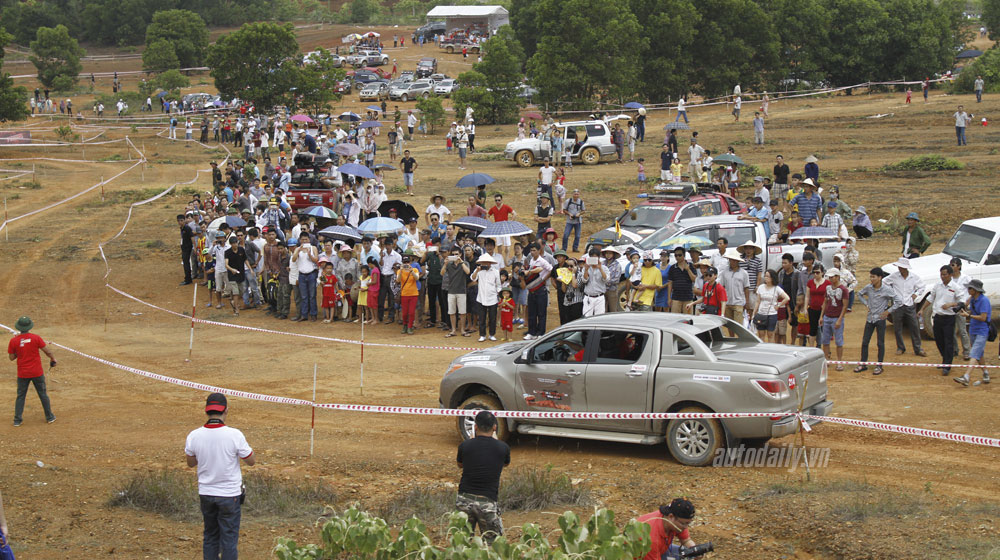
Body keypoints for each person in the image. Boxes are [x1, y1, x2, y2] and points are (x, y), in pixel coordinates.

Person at [185, 393, 255, 560]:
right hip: (230, 495)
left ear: (206, 411)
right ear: (226, 411)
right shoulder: (234, 435)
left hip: (207, 493)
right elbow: (251, 461)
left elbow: (190, 462)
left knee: (210, 536)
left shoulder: (194, 435)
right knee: (229, 539)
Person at [455, 410, 510, 545]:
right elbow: (506, 463)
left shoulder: (464, 446)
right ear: (494, 427)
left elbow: (460, 464)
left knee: (462, 543)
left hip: (464, 500)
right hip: (487, 501)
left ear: (475, 427)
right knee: (492, 545)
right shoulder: (503, 448)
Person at [8, 316, 56, 426]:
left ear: (19, 327)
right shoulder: (36, 338)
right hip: (36, 372)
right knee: (43, 394)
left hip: (23, 373)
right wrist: (53, 359)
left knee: (21, 396)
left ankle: (17, 420)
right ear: (29, 327)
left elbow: (11, 357)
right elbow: (47, 351)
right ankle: (49, 417)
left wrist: (18, 349)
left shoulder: (14, 340)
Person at [856, 267, 898, 375]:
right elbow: (859, 294)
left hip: (880, 319)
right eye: (871, 276)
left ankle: (879, 365)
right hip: (870, 318)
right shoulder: (868, 288)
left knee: (880, 343)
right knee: (865, 342)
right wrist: (866, 304)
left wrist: (888, 311)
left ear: (880, 277)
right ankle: (863, 363)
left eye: (873, 277)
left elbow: (898, 301)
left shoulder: (887, 289)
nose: (871, 279)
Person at [921, 265, 960, 375]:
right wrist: (922, 309)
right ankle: (945, 360)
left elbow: (962, 301)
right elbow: (930, 298)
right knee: (939, 340)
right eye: (941, 274)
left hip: (949, 318)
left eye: (945, 274)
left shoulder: (955, 287)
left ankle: (947, 365)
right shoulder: (937, 285)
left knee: (948, 342)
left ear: (951, 275)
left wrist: (951, 304)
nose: (942, 277)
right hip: (938, 317)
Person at [884, 257, 927, 356]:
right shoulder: (894, 276)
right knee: (897, 327)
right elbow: (884, 282)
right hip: (898, 305)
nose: (899, 269)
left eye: (901, 267)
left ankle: (918, 348)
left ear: (905, 268)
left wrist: (916, 294)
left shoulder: (914, 277)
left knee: (914, 327)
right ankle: (900, 347)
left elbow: (922, 286)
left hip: (909, 305)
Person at [955, 279, 991, 387]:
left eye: (970, 288)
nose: (968, 290)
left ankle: (966, 376)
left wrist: (968, 316)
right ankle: (985, 373)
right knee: (979, 353)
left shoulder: (984, 301)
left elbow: (983, 317)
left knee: (974, 353)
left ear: (976, 290)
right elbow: (969, 308)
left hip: (982, 330)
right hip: (973, 329)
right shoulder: (973, 299)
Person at [820, 268, 849, 368]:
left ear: (837, 277)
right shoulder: (828, 288)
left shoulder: (843, 290)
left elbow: (845, 306)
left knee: (838, 341)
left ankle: (839, 361)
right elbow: (825, 302)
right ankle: (827, 360)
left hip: (836, 317)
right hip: (828, 316)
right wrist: (821, 316)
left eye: (832, 277)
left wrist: (840, 319)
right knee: (825, 340)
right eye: (830, 277)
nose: (831, 279)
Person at [524, 243, 553, 340]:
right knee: (532, 313)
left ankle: (541, 333)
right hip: (532, 290)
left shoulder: (542, 261)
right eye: (531, 250)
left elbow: (551, 269)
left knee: (541, 313)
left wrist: (543, 278)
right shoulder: (531, 260)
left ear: (539, 251)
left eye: (534, 250)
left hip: (540, 290)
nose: (532, 252)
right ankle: (531, 332)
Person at [752, 270, 789, 342]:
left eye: (767, 276)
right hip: (761, 313)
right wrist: (754, 312)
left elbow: (787, 298)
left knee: (770, 334)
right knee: (761, 334)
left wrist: (778, 305)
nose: (765, 278)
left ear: (772, 278)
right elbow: (758, 301)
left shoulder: (777, 288)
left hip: (772, 314)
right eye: (765, 276)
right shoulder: (761, 287)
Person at [472, 254, 501, 342]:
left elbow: (498, 285)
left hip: (492, 297)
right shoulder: (479, 271)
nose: (484, 264)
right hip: (481, 297)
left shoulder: (496, 272)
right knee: (482, 317)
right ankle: (482, 335)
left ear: (490, 263)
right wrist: (477, 271)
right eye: (483, 262)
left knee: (492, 317)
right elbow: (473, 279)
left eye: (486, 262)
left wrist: (498, 294)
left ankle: (492, 334)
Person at [291, 232, 319, 322]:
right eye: (302, 239)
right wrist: (298, 251)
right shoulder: (298, 249)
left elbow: (316, 260)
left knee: (312, 295)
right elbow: (293, 259)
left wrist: (309, 254)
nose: (304, 241)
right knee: (304, 296)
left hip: (311, 273)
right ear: (300, 240)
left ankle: (313, 314)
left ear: (309, 240)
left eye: (306, 239)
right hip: (302, 274)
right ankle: (304, 314)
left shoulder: (313, 248)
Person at [580, 249, 609, 316]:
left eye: (595, 257)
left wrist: (600, 268)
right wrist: (586, 270)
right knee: (586, 317)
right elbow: (584, 280)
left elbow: (606, 280)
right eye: (592, 257)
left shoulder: (604, 268)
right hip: (588, 297)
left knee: (599, 318)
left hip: (599, 297)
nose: (594, 259)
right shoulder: (586, 268)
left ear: (599, 258)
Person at [223, 236, 248, 317]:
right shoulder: (227, 252)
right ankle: (236, 309)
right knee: (235, 292)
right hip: (232, 275)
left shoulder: (241, 250)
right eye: (233, 243)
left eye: (236, 243)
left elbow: (245, 260)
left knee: (243, 289)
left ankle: (234, 302)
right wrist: (232, 269)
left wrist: (250, 269)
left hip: (241, 273)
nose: (235, 245)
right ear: (231, 244)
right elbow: (226, 264)